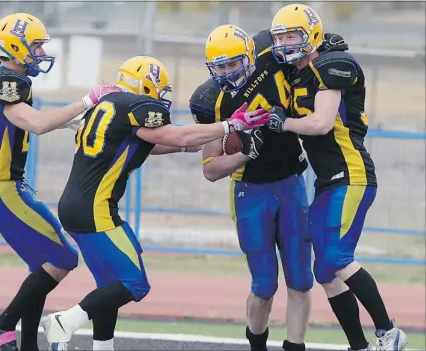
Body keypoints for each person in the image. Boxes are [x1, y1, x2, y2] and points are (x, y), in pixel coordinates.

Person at [39, 55, 271, 351]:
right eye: (159, 89)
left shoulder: (109, 107)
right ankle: (65, 321)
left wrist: (207, 138)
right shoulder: (137, 106)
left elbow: (155, 143)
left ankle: (102, 346)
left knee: (110, 283)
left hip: (76, 206)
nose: (161, 97)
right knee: (135, 283)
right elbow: (177, 134)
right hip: (95, 210)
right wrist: (228, 125)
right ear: (144, 85)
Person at [265, 4, 408, 351]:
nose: (284, 44)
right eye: (280, 37)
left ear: (311, 33)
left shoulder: (331, 65)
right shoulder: (297, 74)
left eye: (291, 36)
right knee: (325, 273)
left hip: (352, 174)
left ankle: (389, 332)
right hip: (328, 181)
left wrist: (283, 123)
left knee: (336, 259)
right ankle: (359, 346)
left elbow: (321, 123)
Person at [0, 12, 113, 351]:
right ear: (14, 47)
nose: (40, 52)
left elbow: (14, 122)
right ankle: (2, 325)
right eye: (35, 46)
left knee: (41, 266)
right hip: (1, 187)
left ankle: (26, 344)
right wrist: (87, 100)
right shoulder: (7, 82)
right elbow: (34, 123)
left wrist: (72, 121)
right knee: (64, 257)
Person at [190, 24, 312, 351]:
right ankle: (256, 345)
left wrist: (326, 46)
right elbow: (211, 169)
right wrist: (246, 153)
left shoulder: (270, 55)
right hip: (251, 192)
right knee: (264, 285)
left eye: (233, 63)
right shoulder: (209, 101)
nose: (228, 72)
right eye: (221, 66)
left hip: (291, 183)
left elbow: (296, 34)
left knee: (301, 278)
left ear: (249, 55)